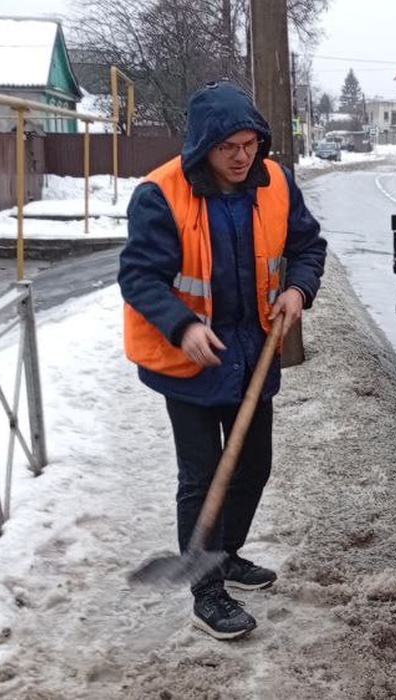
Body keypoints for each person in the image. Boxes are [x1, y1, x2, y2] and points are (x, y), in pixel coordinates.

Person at [119, 80, 326, 641]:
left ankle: (225, 553)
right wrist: (183, 325)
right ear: (202, 147)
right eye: (228, 148)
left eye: (250, 145)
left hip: (252, 356)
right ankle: (205, 591)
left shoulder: (276, 183)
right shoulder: (160, 195)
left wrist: (298, 289)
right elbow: (139, 277)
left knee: (253, 466)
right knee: (203, 476)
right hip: (188, 362)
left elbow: (307, 247)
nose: (241, 157)